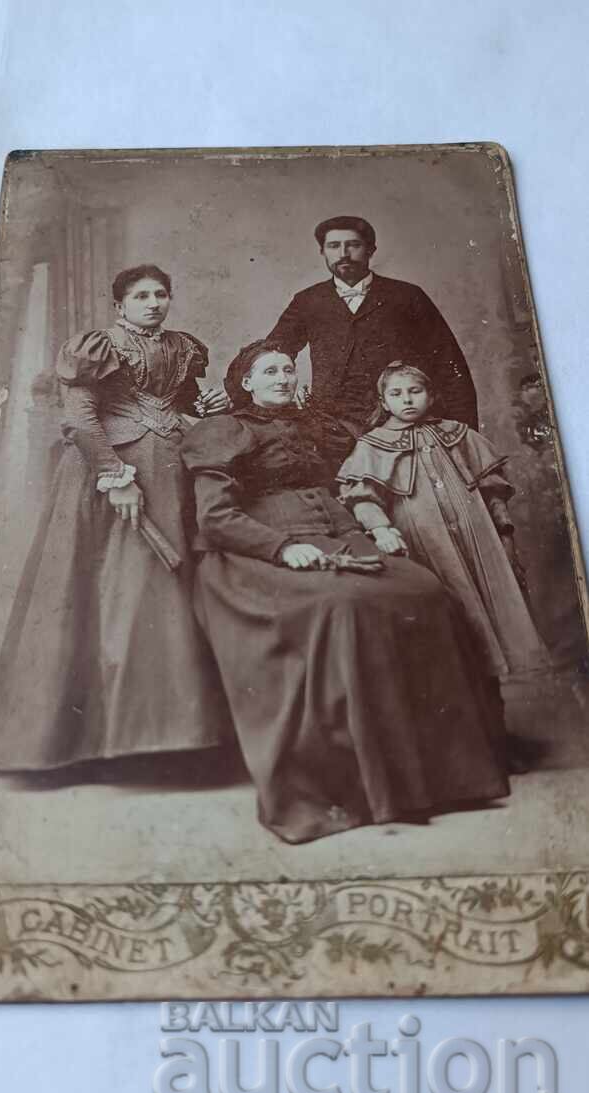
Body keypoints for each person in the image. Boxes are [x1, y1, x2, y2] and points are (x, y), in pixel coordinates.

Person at [180, 339, 509, 845]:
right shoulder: (223, 431)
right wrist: (281, 547)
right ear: (245, 381)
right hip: (251, 557)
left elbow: (331, 498)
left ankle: (446, 777)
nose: (283, 379)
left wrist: (366, 536)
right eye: (269, 371)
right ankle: (359, 788)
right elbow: (216, 517)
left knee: (422, 590)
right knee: (345, 607)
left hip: (331, 537)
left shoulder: (307, 428)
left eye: (288, 369)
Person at [0, 264, 230, 769]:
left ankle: (166, 736)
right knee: (110, 590)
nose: (153, 303)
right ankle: (92, 741)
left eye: (161, 293)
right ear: (120, 305)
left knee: (166, 593)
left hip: (171, 472)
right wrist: (115, 478)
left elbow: (181, 407)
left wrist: (209, 405)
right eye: (141, 296)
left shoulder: (182, 347)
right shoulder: (97, 346)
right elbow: (81, 418)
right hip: (107, 470)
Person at [337, 361, 550, 682]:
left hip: (477, 529)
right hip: (422, 534)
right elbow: (362, 496)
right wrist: (380, 526)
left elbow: (493, 491)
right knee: (449, 592)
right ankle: (470, 673)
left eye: (415, 391)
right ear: (383, 402)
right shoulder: (372, 445)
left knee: (494, 584)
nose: (407, 400)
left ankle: (518, 664)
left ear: (431, 395)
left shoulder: (459, 433)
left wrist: (505, 533)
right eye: (396, 394)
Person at [267, 215, 478, 451]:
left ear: (371, 250)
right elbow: (271, 352)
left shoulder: (407, 296)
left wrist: (463, 435)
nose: (343, 253)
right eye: (334, 246)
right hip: (332, 430)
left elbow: (449, 364)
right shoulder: (308, 301)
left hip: (404, 423)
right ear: (322, 252)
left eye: (353, 245)